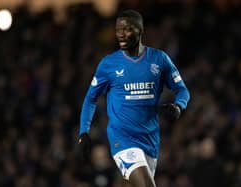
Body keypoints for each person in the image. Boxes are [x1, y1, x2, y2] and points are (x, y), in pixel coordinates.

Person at [78, 9, 190, 187]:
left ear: (140, 30)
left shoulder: (159, 60)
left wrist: (178, 106)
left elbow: (182, 90)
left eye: (127, 29)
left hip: (150, 141)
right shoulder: (109, 64)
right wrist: (84, 132)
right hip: (122, 139)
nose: (121, 35)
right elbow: (90, 98)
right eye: (118, 30)